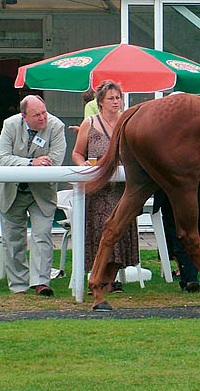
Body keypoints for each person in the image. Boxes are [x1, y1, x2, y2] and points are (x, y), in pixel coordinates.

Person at [71, 80, 139, 294]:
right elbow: (77, 152)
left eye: (118, 98)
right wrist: (83, 166)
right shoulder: (89, 123)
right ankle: (98, 278)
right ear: (100, 102)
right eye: (111, 98)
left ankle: (109, 280)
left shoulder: (128, 123)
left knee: (121, 229)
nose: (116, 102)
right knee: (99, 229)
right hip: (98, 188)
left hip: (122, 189)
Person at [0, 94, 66, 296]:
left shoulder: (56, 126)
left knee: (42, 235)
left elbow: (56, 159)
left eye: (44, 112)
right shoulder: (9, 125)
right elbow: (1, 158)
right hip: (11, 192)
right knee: (13, 239)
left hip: (42, 192)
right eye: (37, 115)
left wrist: (40, 163)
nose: (43, 118)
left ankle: (41, 283)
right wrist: (29, 163)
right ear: (24, 116)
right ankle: (18, 286)